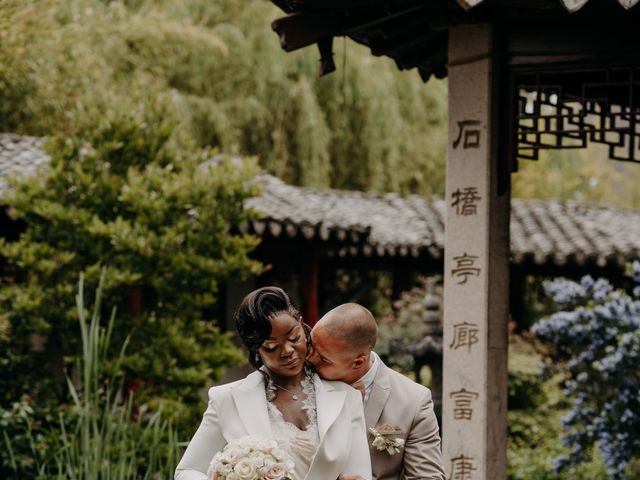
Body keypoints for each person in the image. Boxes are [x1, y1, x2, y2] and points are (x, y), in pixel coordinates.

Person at [175, 287, 372, 480]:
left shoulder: (346, 396)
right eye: (271, 347)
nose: (287, 351)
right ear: (256, 350)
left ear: (302, 326)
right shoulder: (226, 399)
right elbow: (186, 471)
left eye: (294, 337)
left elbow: (360, 474)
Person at [307, 303, 445, 480]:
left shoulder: (414, 401)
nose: (309, 359)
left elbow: (427, 477)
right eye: (311, 347)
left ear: (358, 362)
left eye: (323, 359)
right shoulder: (297, 380)